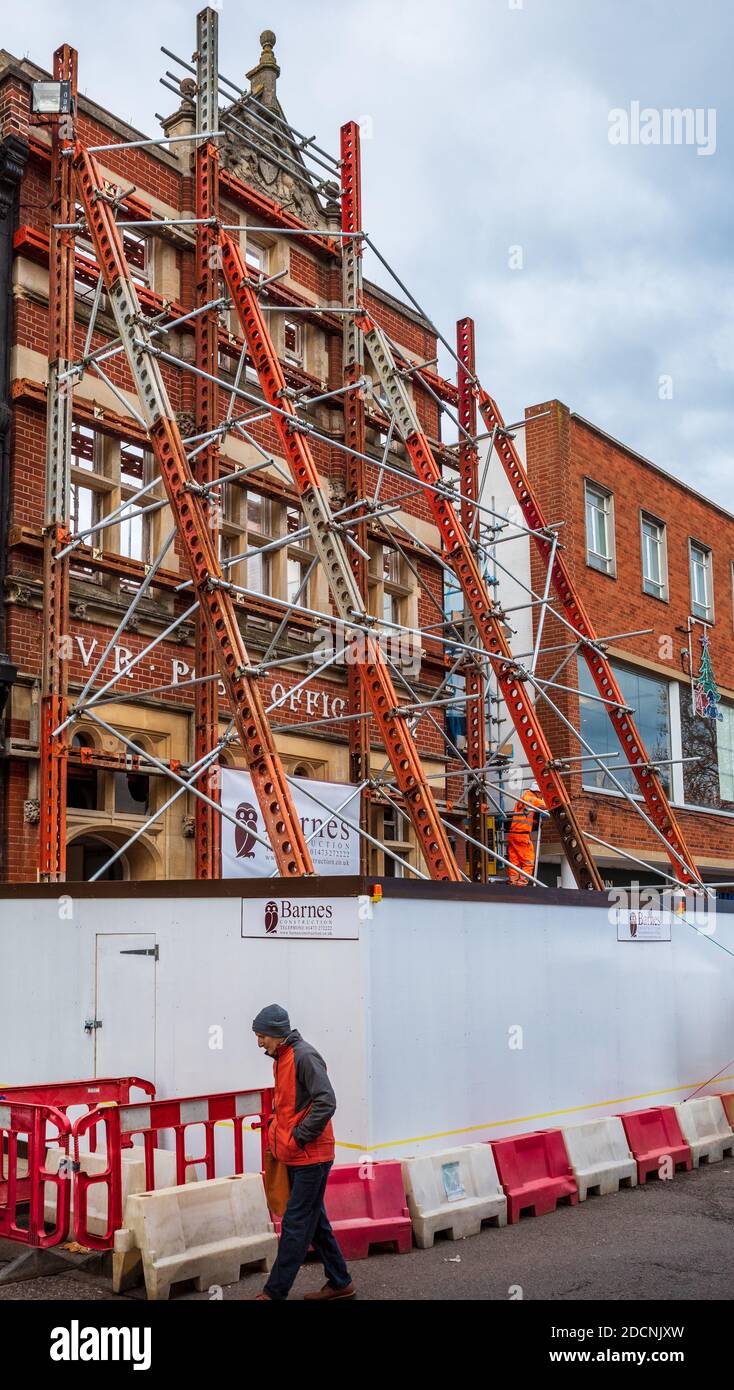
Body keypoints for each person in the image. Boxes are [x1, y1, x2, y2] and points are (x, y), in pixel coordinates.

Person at [251, 1003, 356, 1302]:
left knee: (297, 1225)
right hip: (298, 1156)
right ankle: (341, 1282)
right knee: (316, 1222)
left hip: (312, 1157)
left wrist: (297, 1138)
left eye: (261, 1036)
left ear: (276, 1033)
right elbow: (290, 1106)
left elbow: (327, 1101)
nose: (259, 1042)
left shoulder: (304, 1056)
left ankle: (274, 1293)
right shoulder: (281, 1058)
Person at [506, 782, 544, 885]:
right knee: (528, 861)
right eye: (541, 794)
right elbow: (547, 806)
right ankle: (522, 882)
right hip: (522, 835)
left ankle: (513, 881)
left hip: (512, 834)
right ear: (537, 792)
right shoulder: (533, 799)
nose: (542, 796)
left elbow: (523, 816)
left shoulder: (521, 799)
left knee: (515, 861)